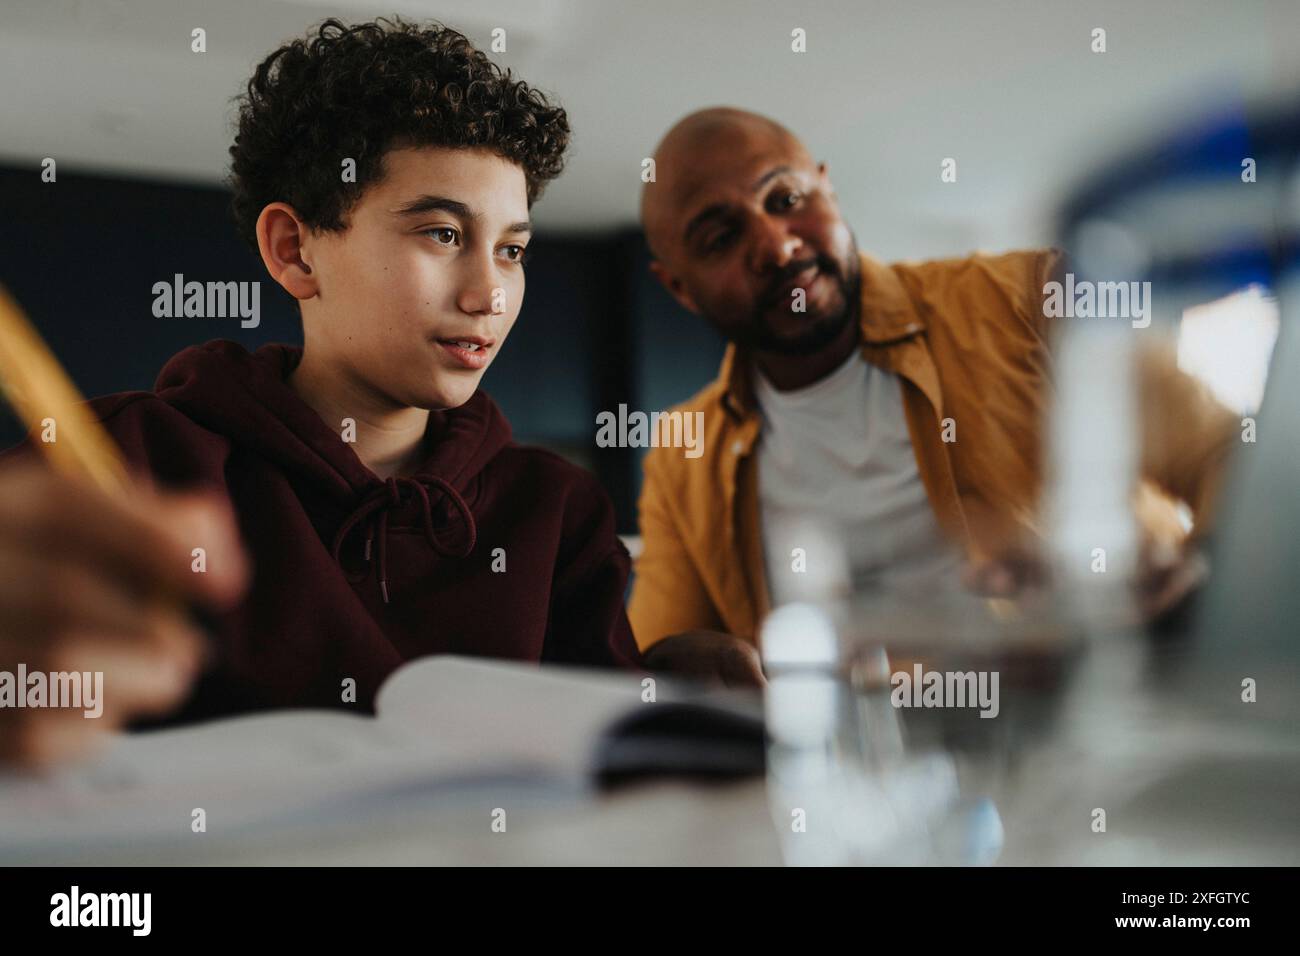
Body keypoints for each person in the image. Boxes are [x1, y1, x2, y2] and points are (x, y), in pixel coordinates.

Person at [0, 18, 642, 765]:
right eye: (441, 233)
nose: (489, 296)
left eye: (512, 251)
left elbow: (632, 773)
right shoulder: (122, 463)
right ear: (295, 251)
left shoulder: (559, 510)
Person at [631, 107, 1238, 685]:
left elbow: (1230, 458)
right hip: (847, 770)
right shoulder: (684, 452)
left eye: (786, 200)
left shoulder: (1027, 301)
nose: (776, 245)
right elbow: (657, 653)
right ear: (679, 288)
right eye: (720, 237)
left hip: (1090, 731)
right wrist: (692, 658)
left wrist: (1196, 584)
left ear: (827, 189)